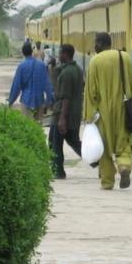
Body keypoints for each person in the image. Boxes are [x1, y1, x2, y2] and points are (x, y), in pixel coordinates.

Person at [84, 32, 132, 190]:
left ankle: (107, 182)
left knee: (104, 146)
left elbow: (91, 91)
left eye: (95, 43)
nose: (94, 46)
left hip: (103, 111)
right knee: (124, 141)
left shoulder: (95, 61)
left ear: (100, 44)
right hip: (123, 107)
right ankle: (124, 166)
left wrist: (88, 115)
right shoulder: (124, 57)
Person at [50, 44, 83, 179]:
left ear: (65, 54)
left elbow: (65, 98)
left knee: (54, 143)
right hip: (74, 113)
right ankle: (98, 162)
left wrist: (62, 119)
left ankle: (58, 171)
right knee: (74, 141)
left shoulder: (66, 73)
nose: (58, 56)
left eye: (60, 53)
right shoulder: (77, 70)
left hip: (62, 113)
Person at [9, 42, 54, 121]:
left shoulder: (22, 66)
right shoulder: (41, 65)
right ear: (31, 51)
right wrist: (48, 102)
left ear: (23, 53)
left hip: (26, 101)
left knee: (27, 127)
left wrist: (11, 101)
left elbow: (16, 86)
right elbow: (47, 85)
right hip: (39, 101)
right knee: (38, 128)